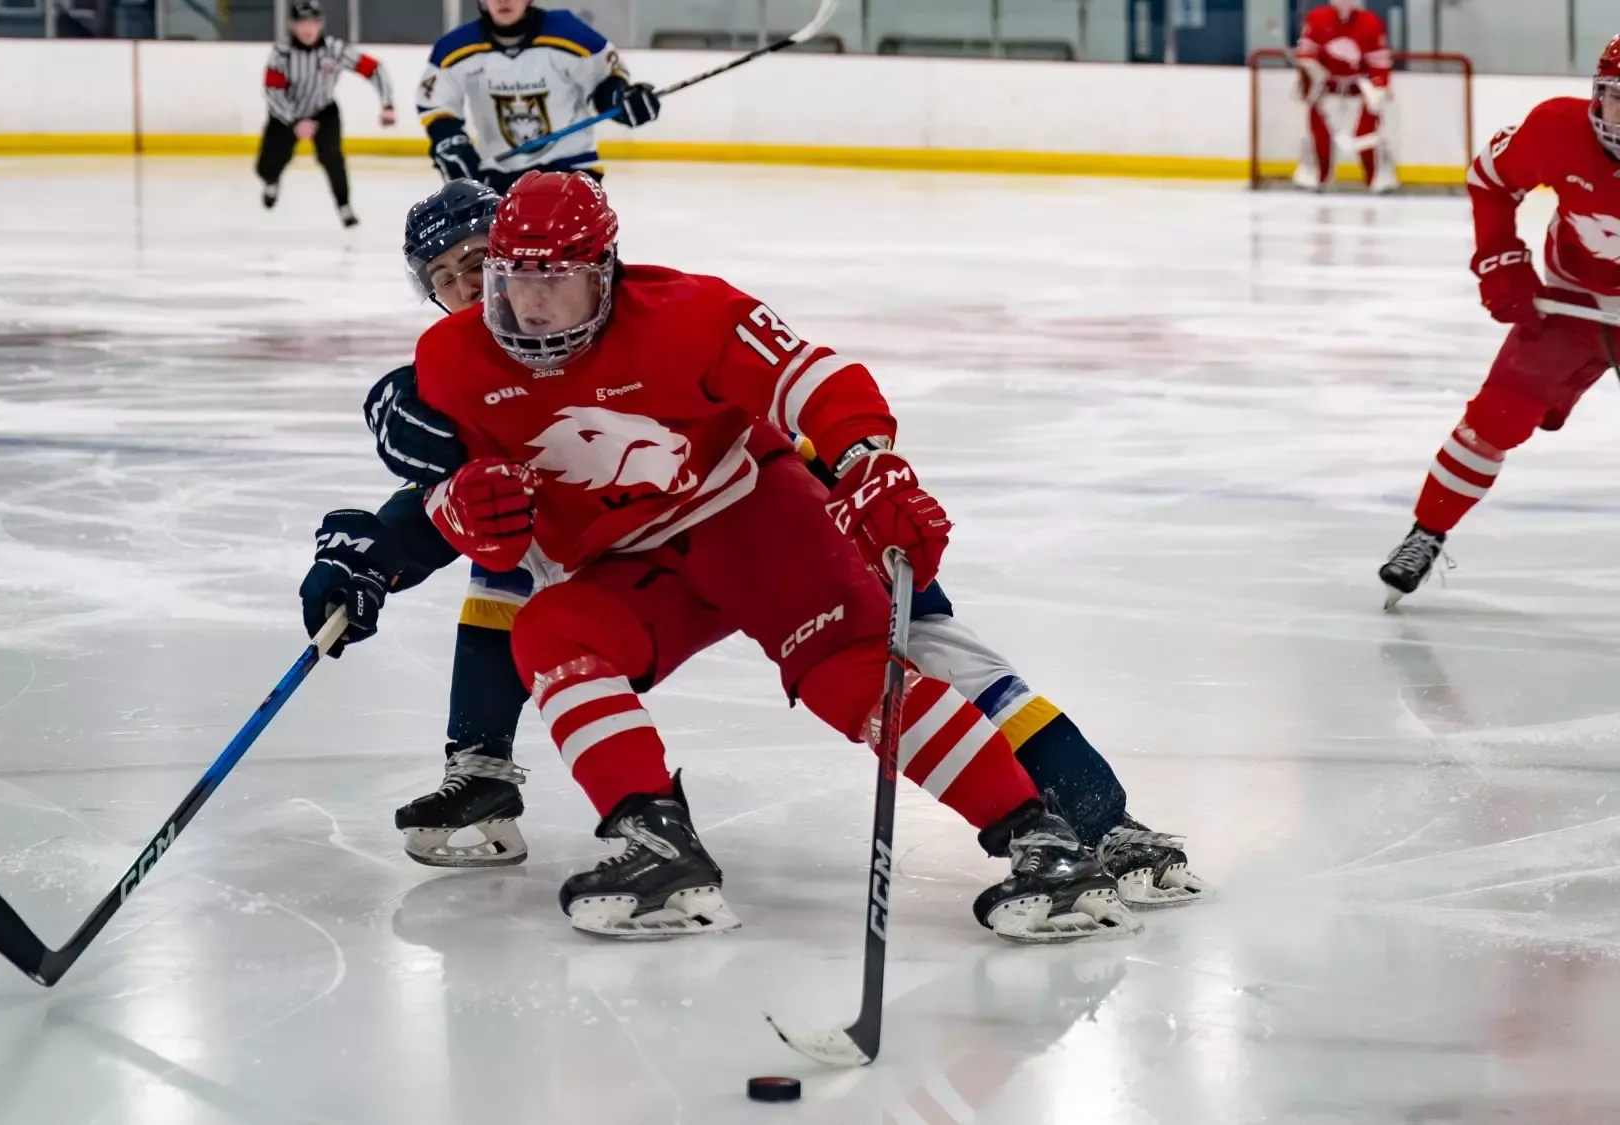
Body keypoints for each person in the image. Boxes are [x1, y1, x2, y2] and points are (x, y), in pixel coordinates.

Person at [303, 173, 1202, 943]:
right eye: (489, 280)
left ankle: (1065, 832)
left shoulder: (687, 313)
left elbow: (813, 377)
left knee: (884, 661)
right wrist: (414, 527)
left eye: (552, 281)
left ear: (606, 274)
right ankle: (649, 840)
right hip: (634, 565)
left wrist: (867, 464)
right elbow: (458, 507)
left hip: (766, 517)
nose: (524, 306)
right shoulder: (448, 365)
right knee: (546, 627)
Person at [1380, 35, 1620, 606]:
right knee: (1498, 415)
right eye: (1619, 98)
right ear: (1598, 95)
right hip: (1572, 300)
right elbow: (1490, 180)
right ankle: (1426, 532)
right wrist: (1501, 259)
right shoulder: (1557, 130)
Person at [416, 0, 661, 192]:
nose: (503, 0)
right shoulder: (453, 48)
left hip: (571, 167)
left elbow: (606, 81)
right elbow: (436, 105)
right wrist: (448, 140)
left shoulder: (570, 33)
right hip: (497, 173)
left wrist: (620, 99)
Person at [258, 0, 396, 225]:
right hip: (286, 114)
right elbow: (273, 92)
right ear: (292, 25)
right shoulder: (282, 53)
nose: (308, 28)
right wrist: (294, 121)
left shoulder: (335, 50)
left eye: (312, 22)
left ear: (320, 24)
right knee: (268, 164)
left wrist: (387, 104)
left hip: (323, 111)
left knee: (332, 157)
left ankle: (344, 206)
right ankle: (271, 181)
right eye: (302, 23)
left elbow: (374, 69)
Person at [1293, 0, 1396, 194]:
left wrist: (1379, 87)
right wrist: (1312, 76)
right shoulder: (1316, 18)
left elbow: (1379, 62)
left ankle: (1377, 173)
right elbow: (1305, 54)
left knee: (1368, 131)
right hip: (1325, 84)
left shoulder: (1371, 22)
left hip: (1359, 85)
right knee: (1318, 130)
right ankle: (1316, 171)